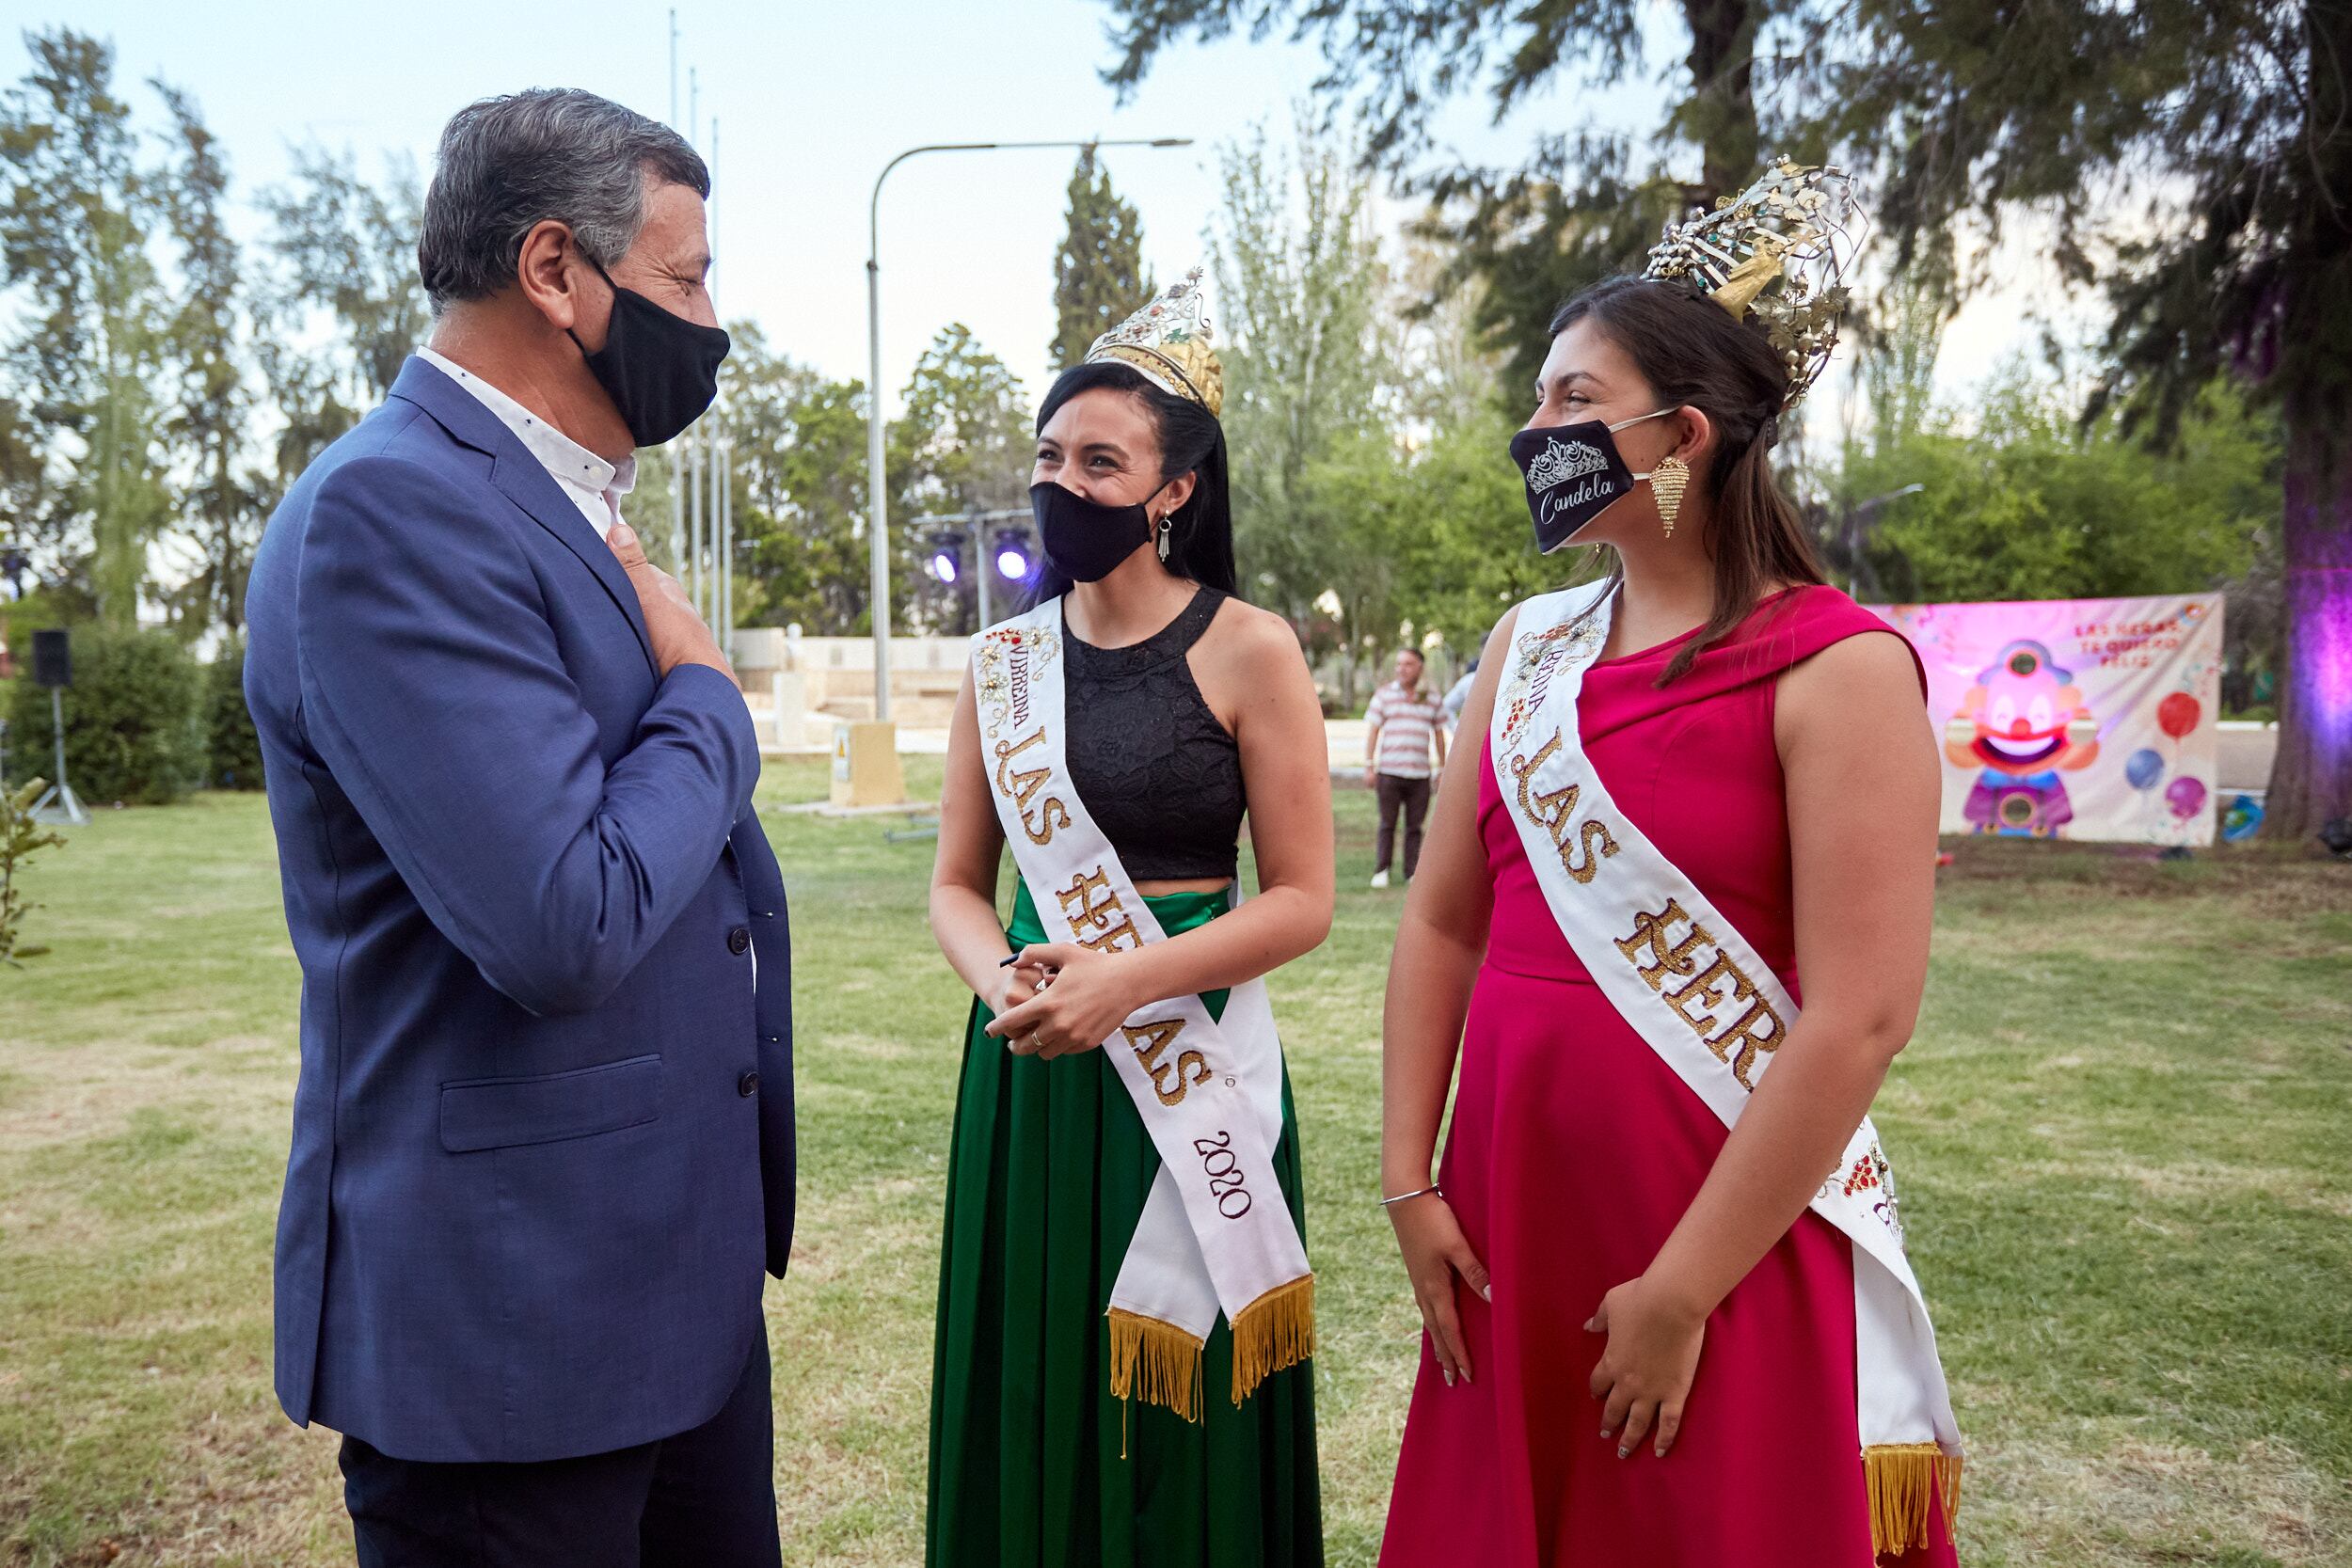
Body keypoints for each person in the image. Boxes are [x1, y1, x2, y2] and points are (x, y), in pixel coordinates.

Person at [1377, 162, 1963, 1567]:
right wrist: (1410, 1179)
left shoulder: (1841, 669)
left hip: (1718, 1224)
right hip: (1511, 1202)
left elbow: (1862, 1012)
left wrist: (1685, 1287)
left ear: (1682, 434)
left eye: (1572, 400)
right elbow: (1445, 924)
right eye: (1538, 397)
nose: (1535, 429)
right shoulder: (1527, 651)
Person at [243, 90, 791, 1567]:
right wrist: (710, 702)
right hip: (512, 1335)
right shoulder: (392, 512)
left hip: (663, 1294)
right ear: (556, 270)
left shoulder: (560, 506)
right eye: (684, 281)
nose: (713, 321)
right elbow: (566, 913)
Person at [926, 271, 1331, 1568]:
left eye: (1103, 460)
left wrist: (1128, 981)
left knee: (1186, 1404)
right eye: (1050, 455)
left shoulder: (1252, 647)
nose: (1066, 483)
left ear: (1175, 490)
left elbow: (1304, 898)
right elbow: (956, 883)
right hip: (1035, 1067)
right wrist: (1009, 983)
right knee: (1036, 1369)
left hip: (1193, 1061)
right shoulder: (1001, 664)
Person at [1363, 648, 1447, 888]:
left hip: (1419, 774)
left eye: (1408, 664)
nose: (1402, 669)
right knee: (1387, 823)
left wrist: (1441, 768)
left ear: (1420, 667)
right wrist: (1369, 765)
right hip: (1389, 772)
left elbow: (1439, 734)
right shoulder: (1384, 695)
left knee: (1414, 827)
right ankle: (1382, 869)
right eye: (1399, 664)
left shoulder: (1431, 697)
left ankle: (1411, 871)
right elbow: (1373, 732)